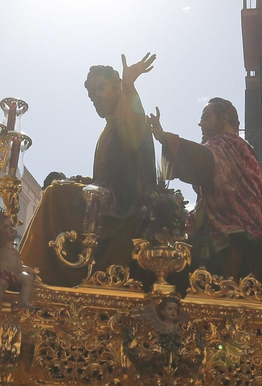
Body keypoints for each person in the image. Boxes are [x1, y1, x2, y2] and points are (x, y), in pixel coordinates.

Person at [21, 55, 159, 284]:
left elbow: (133, 135)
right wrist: (78, 180)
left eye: (101, 88)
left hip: (124, 211)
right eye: (91, 94)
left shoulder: (130, 117)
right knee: (56, 189)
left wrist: (129, 85)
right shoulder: (109, 129)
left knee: (56, 196)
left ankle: (30, 272)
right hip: (106, 203)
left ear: (117, 89)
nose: (95, 97)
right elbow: (104, 177)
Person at [149, 98, 262, 279]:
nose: (201, 123)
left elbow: (206, 160)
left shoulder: (231, 145)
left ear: (223, 119)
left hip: (235, 234)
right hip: (216, 225)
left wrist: (165, 138)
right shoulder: (224, 147)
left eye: (207, 117)